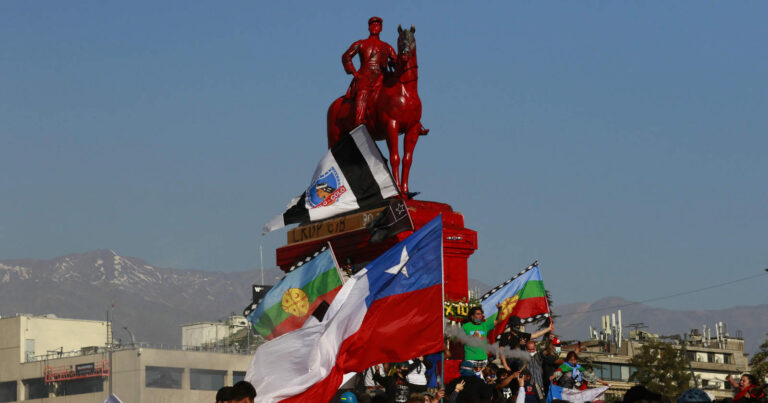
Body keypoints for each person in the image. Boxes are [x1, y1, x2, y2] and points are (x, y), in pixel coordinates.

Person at [342, 16, 397, 126]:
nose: (374, 27)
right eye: (372, 25)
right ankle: (359, 119)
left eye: (377, 25)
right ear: (369, 28)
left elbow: (396, 61)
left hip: (382, 76)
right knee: (363, 91)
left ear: (381, 28)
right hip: (365, 75)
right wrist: (354, 71)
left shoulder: (387, 47)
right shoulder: (361, 43)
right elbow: (346, 56)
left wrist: (394, 63)